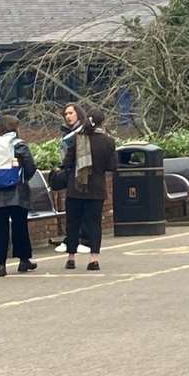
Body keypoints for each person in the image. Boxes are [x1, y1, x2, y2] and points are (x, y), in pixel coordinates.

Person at [0, 116, 38, 278]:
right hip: (17, 193)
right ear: (15, 128)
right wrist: (20, 180)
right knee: (20, 227)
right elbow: (31, 167)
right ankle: (24, 260)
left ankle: (1, 264)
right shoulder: (19, 145)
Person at [57, 109, 115, 272]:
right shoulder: (108, 141)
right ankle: (93, 259)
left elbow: (67, 163)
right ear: (102, 122)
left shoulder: (77, 139)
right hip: (96, 189)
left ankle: (71, 258)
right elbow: (112, 166)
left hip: (75, 188)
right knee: (94, 224)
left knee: (73, 223)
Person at [51, 103, 91, 256]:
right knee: (73, 207)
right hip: (70, 172)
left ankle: (83, 238)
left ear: (78, 114)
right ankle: (72, 238)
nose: (68, 117)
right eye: (65, 114)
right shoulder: (67, 132)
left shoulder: (83, 130)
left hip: (82, 171)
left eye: (70, 113)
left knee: (83, 207)